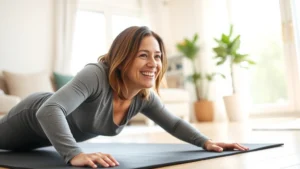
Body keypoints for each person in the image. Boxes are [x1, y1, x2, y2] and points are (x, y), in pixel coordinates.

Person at [0, 26, 248, 168]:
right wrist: (74, 153)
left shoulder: (142, 96)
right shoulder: (96, 75)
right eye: (143, 55)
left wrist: (206, 142)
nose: (154, 63)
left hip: (38, 142)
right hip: (28, 116)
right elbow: (49, 110)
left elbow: (172, 122)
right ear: (123, 57)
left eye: (158, 56)